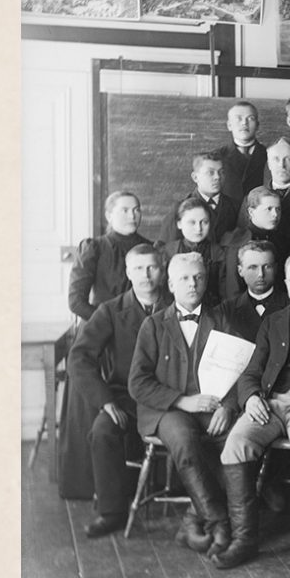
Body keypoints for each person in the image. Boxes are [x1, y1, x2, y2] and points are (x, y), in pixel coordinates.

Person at [218, 253, 290, 570]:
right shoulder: (274, 321)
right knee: (236, 444)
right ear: (285, 282)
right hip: (271, 403)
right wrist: (251, 396)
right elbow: (252, 371)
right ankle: (244, 540)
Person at [128, 253, 239, 555]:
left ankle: (192, 520)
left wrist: (228, 406)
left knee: (237, 444)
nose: (193, 284)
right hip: (167, 410)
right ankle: (219, 523)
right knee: (186, 443)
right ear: (171, 284)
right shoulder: (153, 325)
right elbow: (138, 383)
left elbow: (242, 370)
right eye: (185, 278)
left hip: (212, 407)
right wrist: (182, 400)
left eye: (199, 277)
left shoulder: (222, 320)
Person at [68, 244, 170, 537]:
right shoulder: (111, 311)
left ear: (162, 270)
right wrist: (106, 401)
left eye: (151, 267)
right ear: (128, 272)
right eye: (138, 268)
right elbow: (80, 357)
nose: (146, 275)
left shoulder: (177, 306)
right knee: (102, 431)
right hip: (126, 398)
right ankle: (112, 511)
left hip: (169, 399)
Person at [69, 191, 151, 320]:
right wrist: (108, 323)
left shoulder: (151, 248)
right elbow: (76, 302)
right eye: (124, 210)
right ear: (109, 216)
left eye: (136, 210)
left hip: (141, 328)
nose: (132, 216)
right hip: (102, 327)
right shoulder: (94, 247)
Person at [236, 137, 290, 240]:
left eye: (288, 159)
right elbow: (242, 238)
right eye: (276, 159)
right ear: (269, 164)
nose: (282, 165)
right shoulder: (251, 198)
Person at [221, 188, 289, 301]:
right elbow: (233, 290)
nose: (275, 214)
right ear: (251, 212)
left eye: (278, 209)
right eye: (269, 209)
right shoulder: (238, 242)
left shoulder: (281, 240)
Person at [216, 240, 288, 344]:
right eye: (253, 267)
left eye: (267, 266)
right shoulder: (225, 311)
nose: (260, 274)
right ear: (240, 271)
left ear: (275, 268)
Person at [164, 198, 227, 308]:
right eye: (192, 222)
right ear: (179, 224)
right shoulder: (168, 251)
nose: (198, 229)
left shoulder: (218, 253)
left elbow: (225, 293)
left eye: (204, 222)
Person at [175, 152, 237, 244]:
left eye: (221, 172)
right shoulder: (180, 208)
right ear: (195, 177)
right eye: (210, 173)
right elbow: (170, 247)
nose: (217, 177)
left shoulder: (235, 206)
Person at [216, 100, 266, 200]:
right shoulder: (217, 157)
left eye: (250, 118)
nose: (244, 123)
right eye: (239, 118)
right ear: (229, 125)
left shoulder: (269, 155)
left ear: (257, 125)